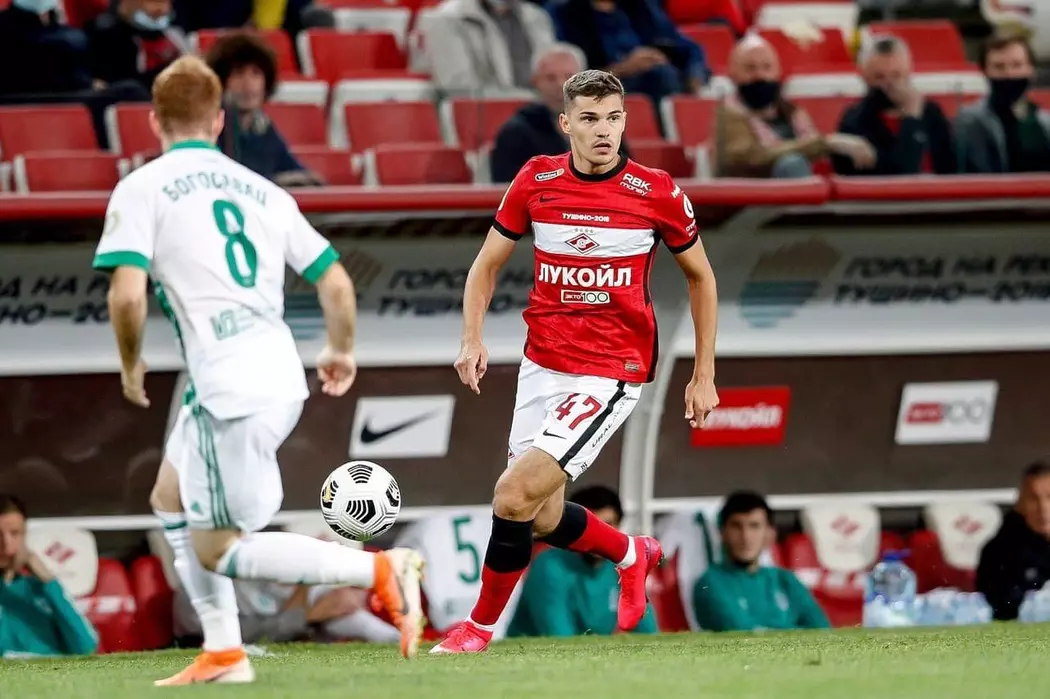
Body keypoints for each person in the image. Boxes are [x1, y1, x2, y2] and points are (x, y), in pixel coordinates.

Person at [92, 56, 424, 685]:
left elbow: (127, 294)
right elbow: (335, 281)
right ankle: (224, 652)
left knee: (221, 547)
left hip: (230, 386)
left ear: (154, 120)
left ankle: (379, 569)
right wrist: (341, 350)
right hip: (273, 370)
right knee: (168, 497)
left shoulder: (142, 187)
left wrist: (131, 365)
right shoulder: (264, 190)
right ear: (219, 120)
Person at [432, 69, 720, 654]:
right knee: (540, 516)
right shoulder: (536, 179)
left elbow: (702, 279)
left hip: (611, 370)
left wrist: (703, 374)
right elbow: (486, 264)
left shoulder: (656, 192)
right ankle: (631, 552)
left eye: (613, 118)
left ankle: (477, 630)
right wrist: (471, 339)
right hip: (542, 363)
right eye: (589, 119)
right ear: (566, 124)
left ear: (625, 122)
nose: (603, 130)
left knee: (512, 495)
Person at [507, 486, 658, 637]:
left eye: (608, 526)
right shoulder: (550, 566)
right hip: (530, 651)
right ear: (572, 529)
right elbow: (560, 640)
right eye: (591, 529)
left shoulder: (623, 565)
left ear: (619, 527)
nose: (599, 537)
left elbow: (650, 633)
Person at [718, 34, 874, 178]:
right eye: (750, 68)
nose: (760, 75)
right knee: (792, 164)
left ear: (778, 72)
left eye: (767, 67)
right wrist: (826, 143)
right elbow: (752, 158)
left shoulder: (793, 112)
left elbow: (815, 151)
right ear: (733, 75)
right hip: (752, 194)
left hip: (803, 186)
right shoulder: (728, 114)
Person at [692, 491, 829, 632]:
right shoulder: (710, 583)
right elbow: (742, 634)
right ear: (722, 532)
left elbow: (822, 629)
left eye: (754, 526)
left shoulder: (785, 579)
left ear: (770, 534)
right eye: (736, 526)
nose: (746, 537)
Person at [206, 32, 322, 187]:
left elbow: (293, 169)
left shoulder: (264, 128)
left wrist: (309, 179)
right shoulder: (208, 130)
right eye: (239, 74)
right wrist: (277, 181)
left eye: (256, 74)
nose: (248, 84)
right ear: (222, 82)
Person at [546, 0, 709, 107]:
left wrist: (694, 77)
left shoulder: (640, 8)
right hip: (604, 88)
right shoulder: (565, 13)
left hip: (660, 78)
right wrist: (625, 68)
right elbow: (571, 73)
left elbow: (689, 48)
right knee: (660, 77)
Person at [833, 35, 955, 176]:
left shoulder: (931, 113)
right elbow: (900, 173)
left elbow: (951, 168)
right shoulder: (855, 121)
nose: (890, 84)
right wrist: (912, 119)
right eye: (879, 77)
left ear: (909, 72)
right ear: (865, 77)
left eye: (897, 75)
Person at [0, 494, 99, 658]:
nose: (7, 546)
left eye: (15, 533)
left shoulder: (42, 590)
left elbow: (86, 647)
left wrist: (48, 580)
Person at [956, 30, 1050, 174]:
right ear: (985, 71)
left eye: (1017, 65)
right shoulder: (970, 120)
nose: (1009, 74)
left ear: (1031, 69)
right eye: (999, 67)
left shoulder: (1044, 121)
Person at [490, 43, 585, 183]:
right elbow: (507, 189)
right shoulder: (515, 134)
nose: (561, 85)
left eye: (569, 77)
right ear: (535, 82)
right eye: (550, 78)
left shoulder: (604, 127)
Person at [425, 0, 555, 95]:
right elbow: (457, 89)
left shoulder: (536, 16)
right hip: (482, 115)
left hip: (537, 113)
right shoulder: (446, 19)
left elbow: (552, 74)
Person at [977, 461, 1050, 621]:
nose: (1043, 508)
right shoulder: (1001, 552)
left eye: (1049, 497)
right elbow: (1002, 606)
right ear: (1021, 504)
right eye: (1034, 499)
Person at [85, 0, 189, 93]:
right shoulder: (107, 34)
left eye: (165, 2)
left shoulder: (175, 35)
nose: (160, 9)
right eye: (153, 2)